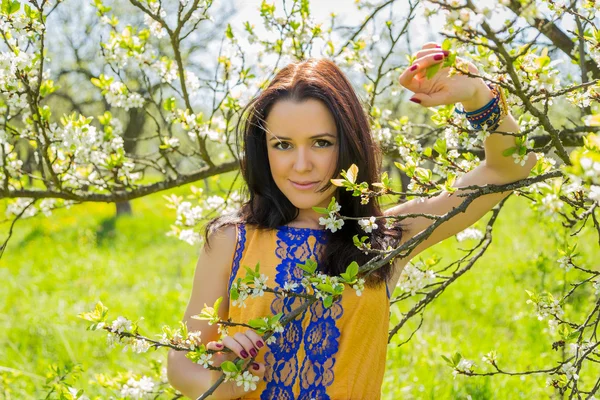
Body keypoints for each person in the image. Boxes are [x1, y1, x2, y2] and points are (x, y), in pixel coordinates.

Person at [167, 42, 537, 399]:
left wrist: (476, 95)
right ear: (263, 150)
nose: (301, 164)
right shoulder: (231, 240)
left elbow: (510, 170)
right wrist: (224, 382)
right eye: (282, 144)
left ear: (348, 144)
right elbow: (182, 363)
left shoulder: (386, 239)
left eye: (321, 143)